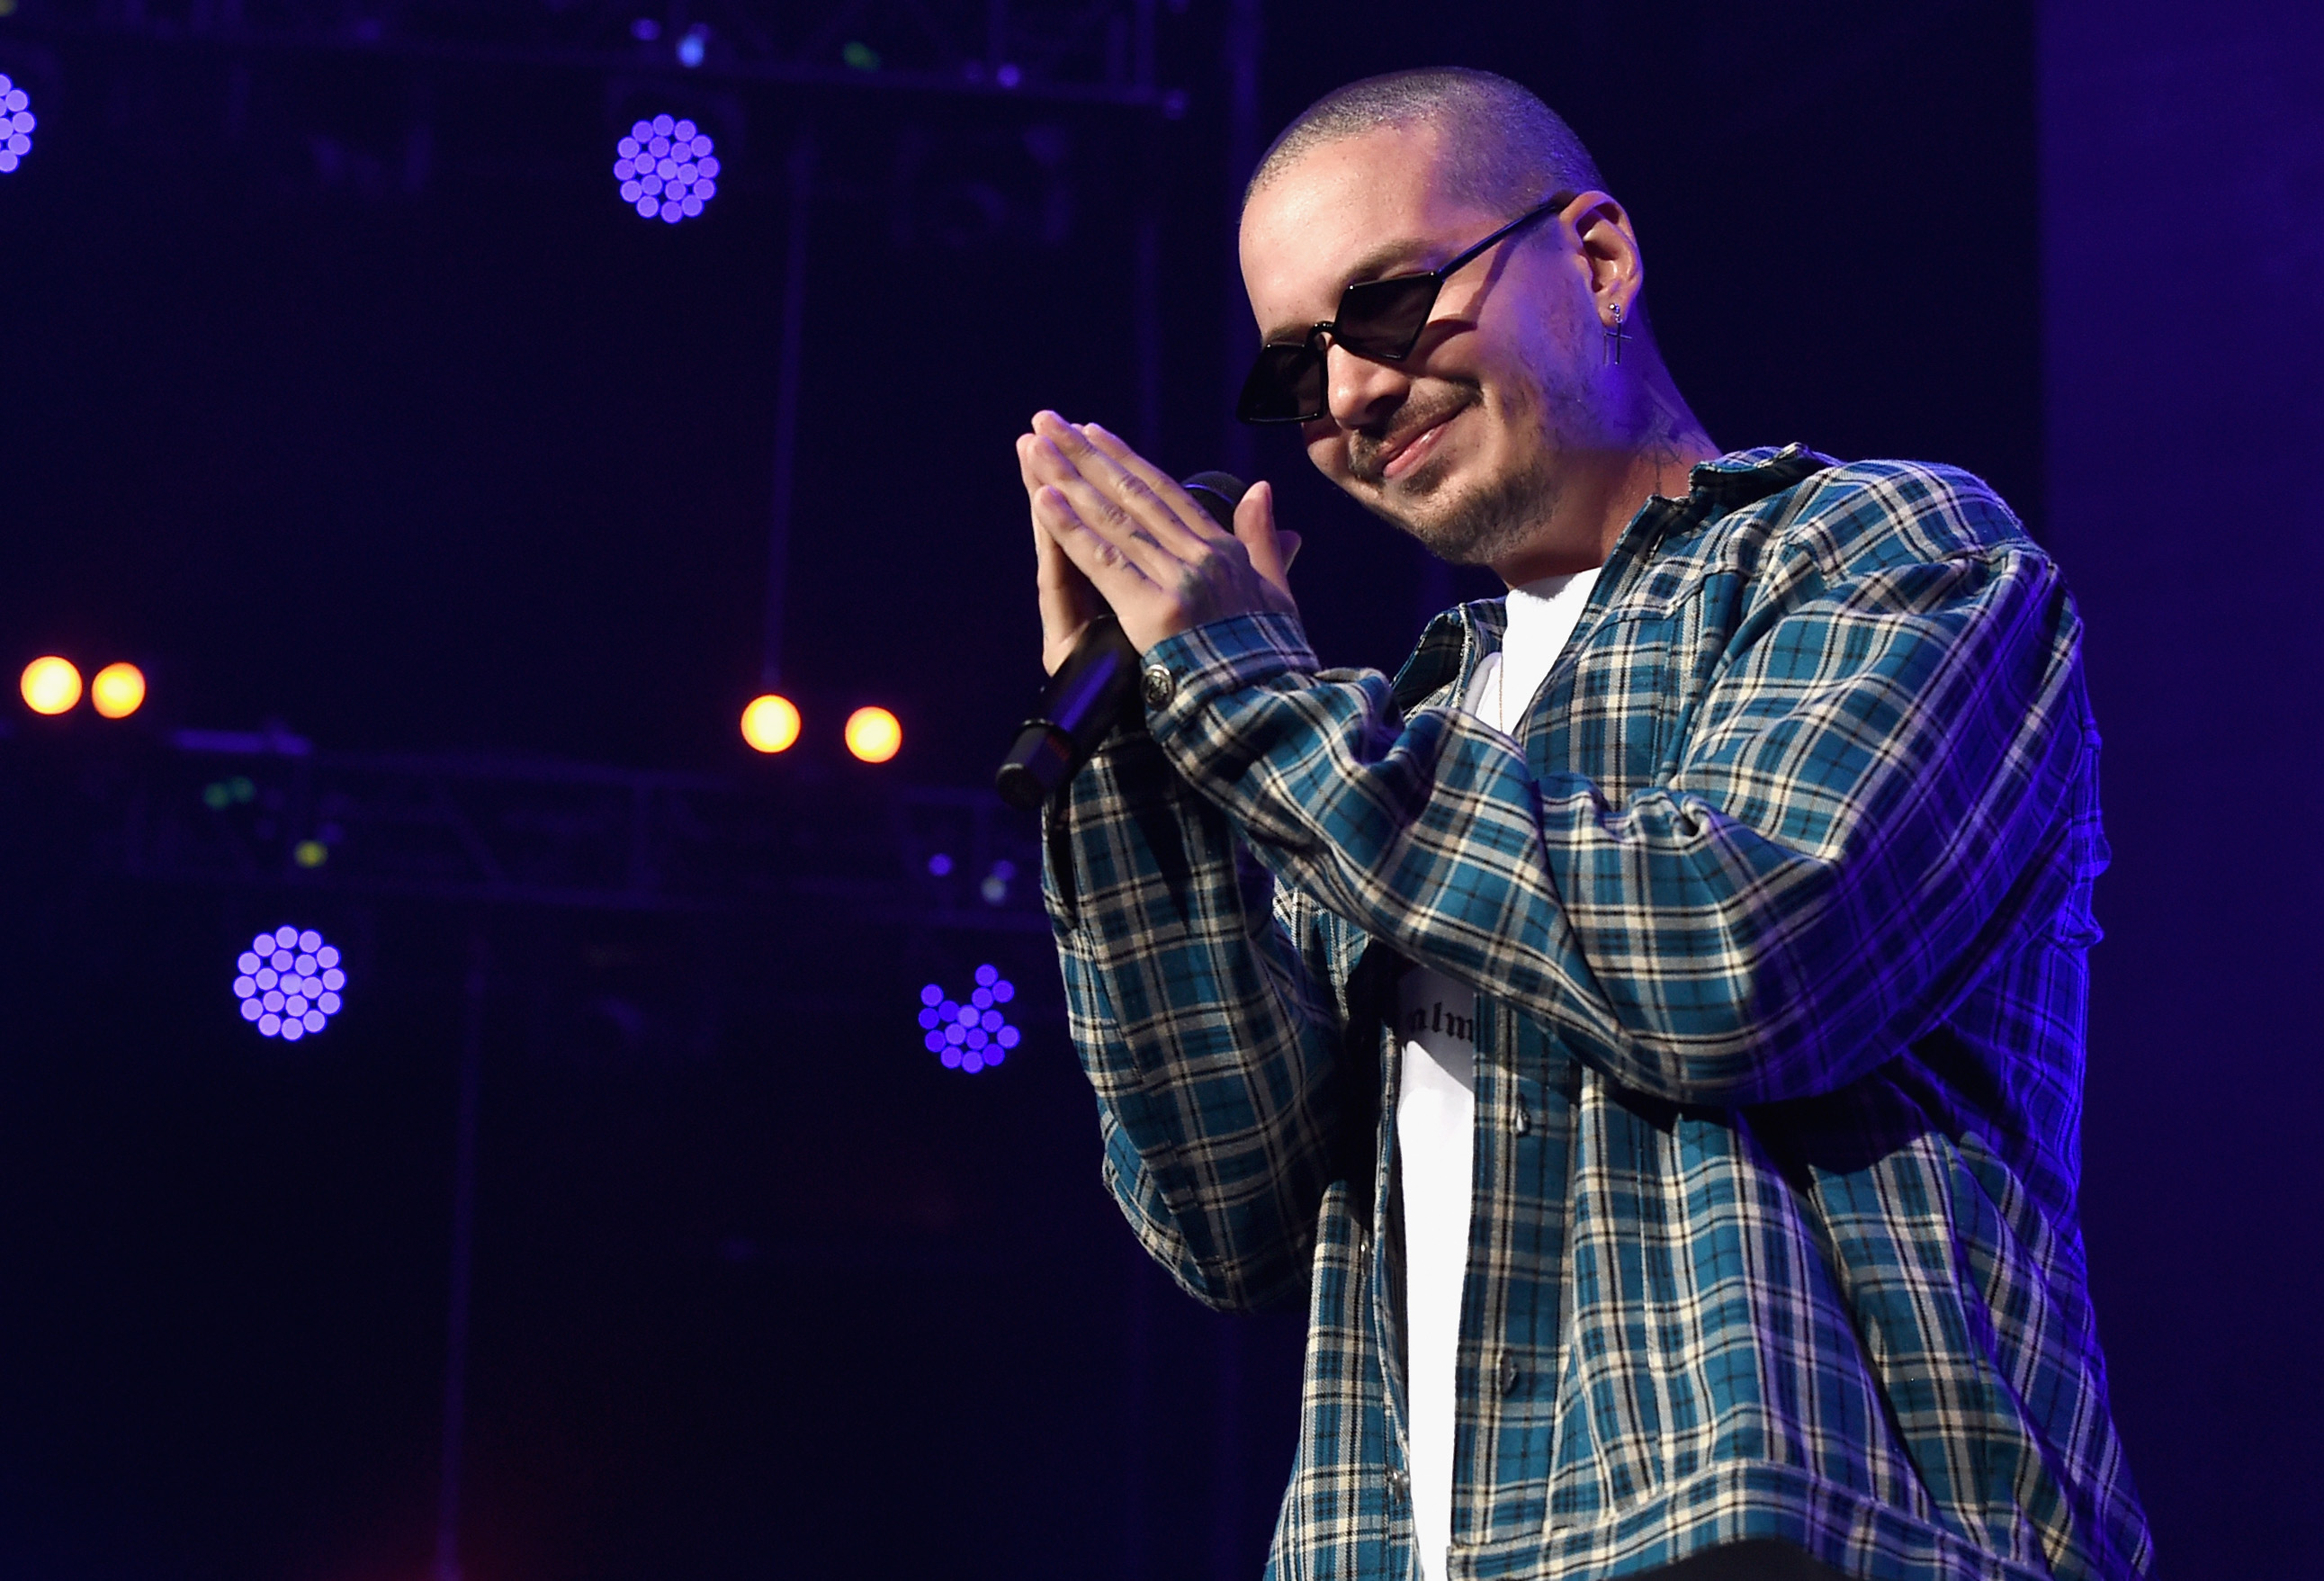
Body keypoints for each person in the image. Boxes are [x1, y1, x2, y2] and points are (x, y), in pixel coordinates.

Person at [1015, 67, 2152, 1581]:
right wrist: (1147, 767)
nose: (1346, 399)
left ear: (1598, 260)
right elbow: (1233, 1216)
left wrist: (1258, 705)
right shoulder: (1393, 742)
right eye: (1297, 368)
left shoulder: (1884, 551)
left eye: (1388, 307)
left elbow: (1736, 957)